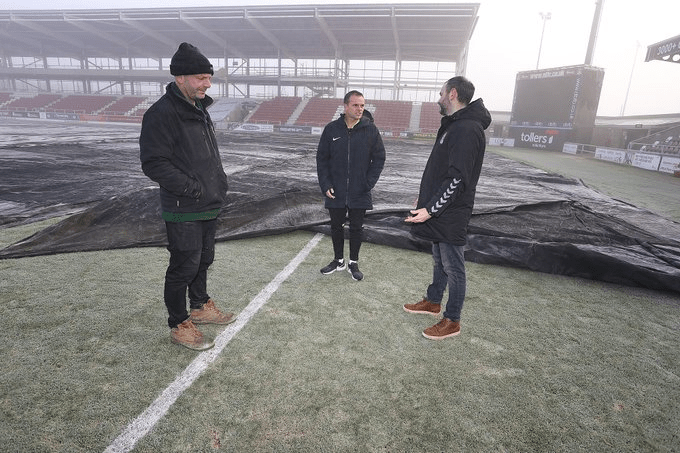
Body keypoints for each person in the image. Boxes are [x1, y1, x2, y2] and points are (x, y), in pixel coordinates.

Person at [139, 42, 236, 351]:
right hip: (184, 207)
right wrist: (193, 187)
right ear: (180, 77)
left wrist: (216, 185)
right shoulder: (161, 114)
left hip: (208, 203)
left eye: (209, 77)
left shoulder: (198, 107)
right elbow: (154, 163)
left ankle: (200, 305)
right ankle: (179, 322)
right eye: (200, 78)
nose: (207, 84)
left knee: (204, 259)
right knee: (184, 265)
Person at [404, 76, 491, 340]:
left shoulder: (466, 129)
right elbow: (441, 171)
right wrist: (424, 201)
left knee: (454, 266)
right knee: (439, 259)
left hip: (451, 212)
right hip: (440, 208)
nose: (438, 98)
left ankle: (452, 320)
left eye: (441, 93)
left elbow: (457, 178)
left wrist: (431, 210)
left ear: (452, 94)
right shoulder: (455, 126)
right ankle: (433, 301)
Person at [316, 90, 386, 281]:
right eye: (355, 105)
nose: (359, 109)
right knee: (336, 226)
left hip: (360, 190)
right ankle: (338, 260)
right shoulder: (331, 129)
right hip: (335, 190)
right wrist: (326, 184)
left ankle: (353, 262)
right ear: (345, 106)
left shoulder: (371, 130)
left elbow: (379, 158)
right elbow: (322, 159)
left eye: (362, 105)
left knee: (357, 228)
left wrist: (368, 182)